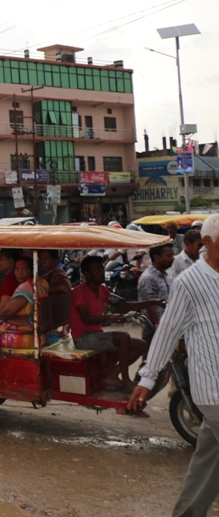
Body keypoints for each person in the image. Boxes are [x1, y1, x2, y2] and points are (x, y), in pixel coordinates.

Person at [127, 213, 219, 517]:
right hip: (213, 390)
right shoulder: (189, 282)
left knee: (209, 456)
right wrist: (147, 377)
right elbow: (167, 331)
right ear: (208, 243)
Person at [70, 255, 158, 393]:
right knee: (122, 337)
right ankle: (125, 380)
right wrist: (109, 316)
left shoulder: (102, 290)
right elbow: (86, 319)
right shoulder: (79, 292)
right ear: (87, 274)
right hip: (82, 338)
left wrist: (153, 301)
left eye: (102, 269)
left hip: (96, 334)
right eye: (97, 270)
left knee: (141, 345)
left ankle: (112, 375)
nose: (102, 273)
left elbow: (125, 305)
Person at [0, 256, 46, 385]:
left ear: (32, 270)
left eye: (24, 269)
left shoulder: (27, 288)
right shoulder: (41, 282)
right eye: (17, 269)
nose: (20, 273)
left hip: (26, 330)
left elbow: (7, 312)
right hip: (32, 327)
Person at [137, 243, 174, 339]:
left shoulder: (165, 275)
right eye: (169, 255)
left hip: (168, 326)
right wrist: (159, 328)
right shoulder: (148, 278)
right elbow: (149, 307)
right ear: (157, 257)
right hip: (154, 330)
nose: (173, 258)